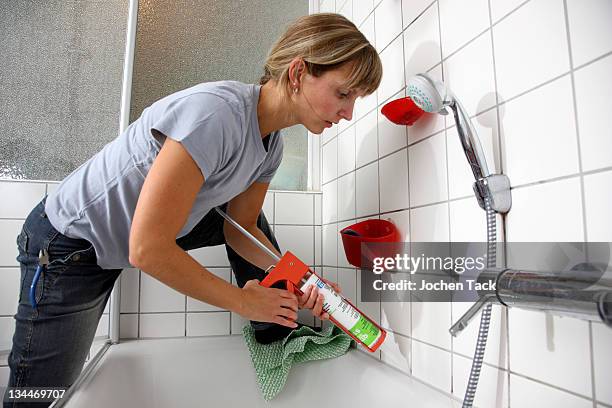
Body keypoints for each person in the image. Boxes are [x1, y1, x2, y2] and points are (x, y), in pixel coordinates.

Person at [3, 12, 382, 407]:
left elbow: (241, 228)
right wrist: (243, 301)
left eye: (355, 99)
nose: (348, 112)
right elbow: (147, 249)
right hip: (69, 242)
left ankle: (274, 319)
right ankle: (263, 311)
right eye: (343, 94)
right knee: (40, 395)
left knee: (243, 221)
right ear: (299, 72)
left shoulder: (272, 147)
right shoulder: (215, 114)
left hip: (128, 238)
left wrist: (305, 283)